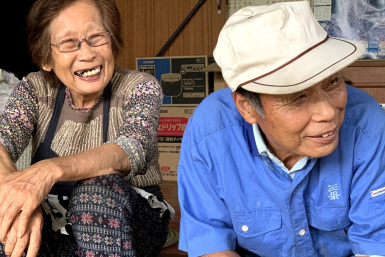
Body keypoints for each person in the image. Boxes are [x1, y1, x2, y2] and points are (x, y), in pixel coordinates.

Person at [177, 1, 385, 257]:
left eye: (332, 82)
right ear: (247, 108)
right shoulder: (211, 132)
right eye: (298, 96)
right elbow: (210, 243)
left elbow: (375, 245)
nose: (329, 112)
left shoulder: (367, 124)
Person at [0, 0, 173, 256]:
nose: (87, 53)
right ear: (46, 58)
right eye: (69, 43)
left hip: (126, 218)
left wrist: (48, 171)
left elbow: (131, 149)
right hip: (54, 216)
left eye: (96, 37)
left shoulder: (140, 87)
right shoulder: (35, 88)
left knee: (94, 193)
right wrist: (18, 197)